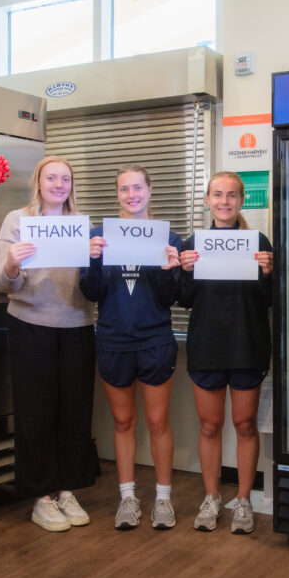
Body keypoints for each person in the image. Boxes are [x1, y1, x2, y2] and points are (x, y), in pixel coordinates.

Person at [0, 156, 98, 532]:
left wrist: (97, 259)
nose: (59, 184)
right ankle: (41, 497)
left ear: (72, 185)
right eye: (51, 177)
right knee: (35, 413)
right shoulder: (17, 221)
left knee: (74, 412)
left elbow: (92, 282)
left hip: (77, 326)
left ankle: (66, 489)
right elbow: (4, 283)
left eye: (65, 179)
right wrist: (11, 264)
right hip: (30, 325)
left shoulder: (81, 226)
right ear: (38, 182)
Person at [79, 164, 182, 530]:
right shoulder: (98, 236)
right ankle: (127, 498)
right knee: (123, 421)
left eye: (138, 187)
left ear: (150, 191)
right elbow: (90, 293)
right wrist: (91, 259)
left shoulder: (169, 238)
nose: (131, 195)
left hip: (155, 341)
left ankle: (164, 500)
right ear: (117, 194)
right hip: (112, 341)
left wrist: (172, 270)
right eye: (124, 189)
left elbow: (172, 298)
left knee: (157, 422)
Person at [179, 171, 273, 534]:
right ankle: (211, 496)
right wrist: (185, 272)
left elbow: (268, 301)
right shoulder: (195, 242)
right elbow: (184, 300)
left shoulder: (257, 241)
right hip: (207, 346)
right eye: (217, 194)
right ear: (207, 200)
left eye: (231, 195)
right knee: (210, 425)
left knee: (245, 424)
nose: (224, 201)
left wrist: (267, 273)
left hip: (247, 346)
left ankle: (245, 500)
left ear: (241, 201)